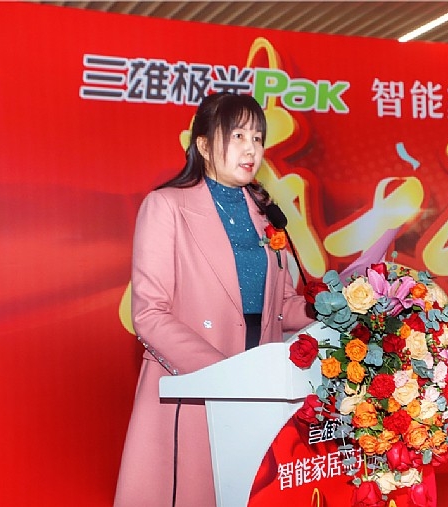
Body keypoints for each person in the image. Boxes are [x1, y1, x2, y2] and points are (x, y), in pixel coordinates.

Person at [114, 92, 315, 507]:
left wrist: (332, 309)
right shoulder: (166, 206)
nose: (251, 149)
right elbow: (149, 313)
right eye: (237, 135)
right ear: (204, 145)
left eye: (257, 138)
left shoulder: (266, 213)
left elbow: (281, 307)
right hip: (196, 386)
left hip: (260, 393)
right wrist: (225, 375)